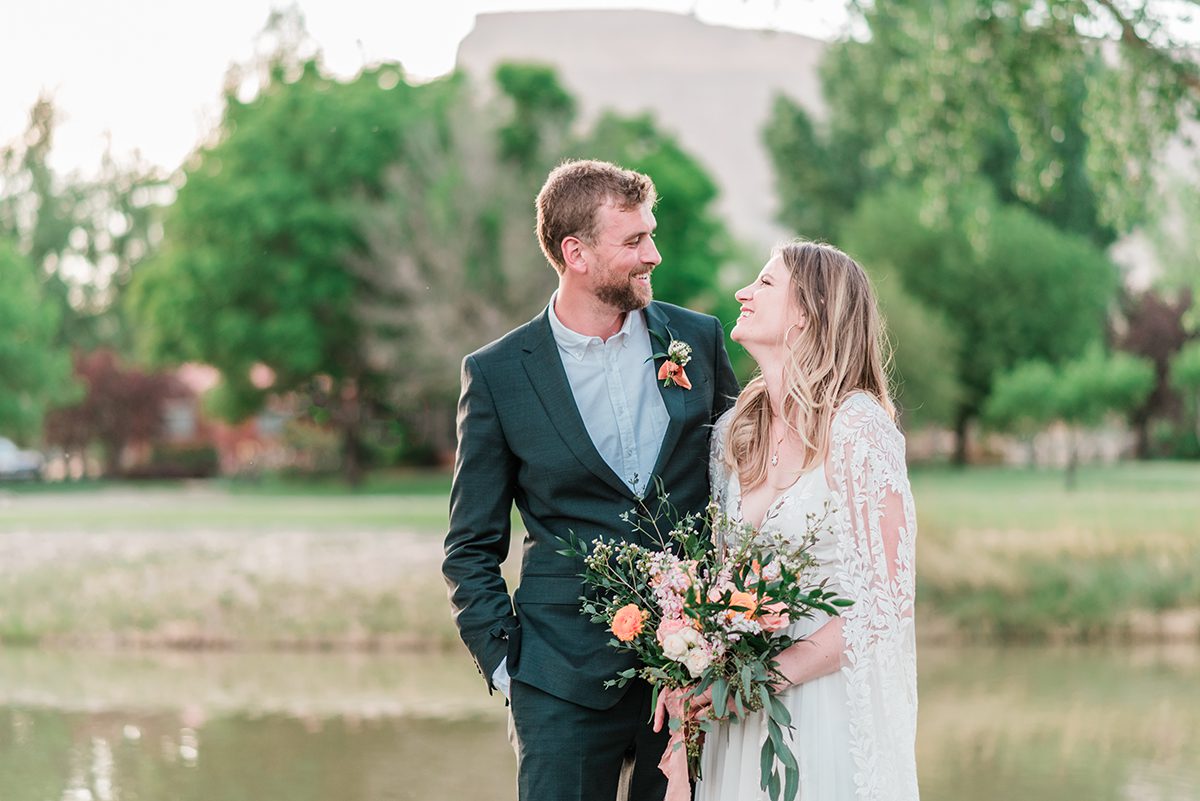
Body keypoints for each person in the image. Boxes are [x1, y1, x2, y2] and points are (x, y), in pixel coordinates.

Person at [443, 158, 740, 801]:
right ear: (574, 252)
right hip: (559, 682)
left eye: (650, 234)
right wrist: (508, 667)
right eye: (633, 241)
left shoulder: (697, 338)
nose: (653, 254)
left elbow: (744, 484)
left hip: (691, 677)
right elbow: (470, 545)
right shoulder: (499, 375)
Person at [662, 240, 919, 801]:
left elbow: (885, 607)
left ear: (807, 313)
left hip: (822, 704)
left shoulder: (858, 429)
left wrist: (765, 679)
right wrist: (697, 669)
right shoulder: (736, 432)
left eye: (765, 283)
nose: (742, 293)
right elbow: (723, 583)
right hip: (738, 713)